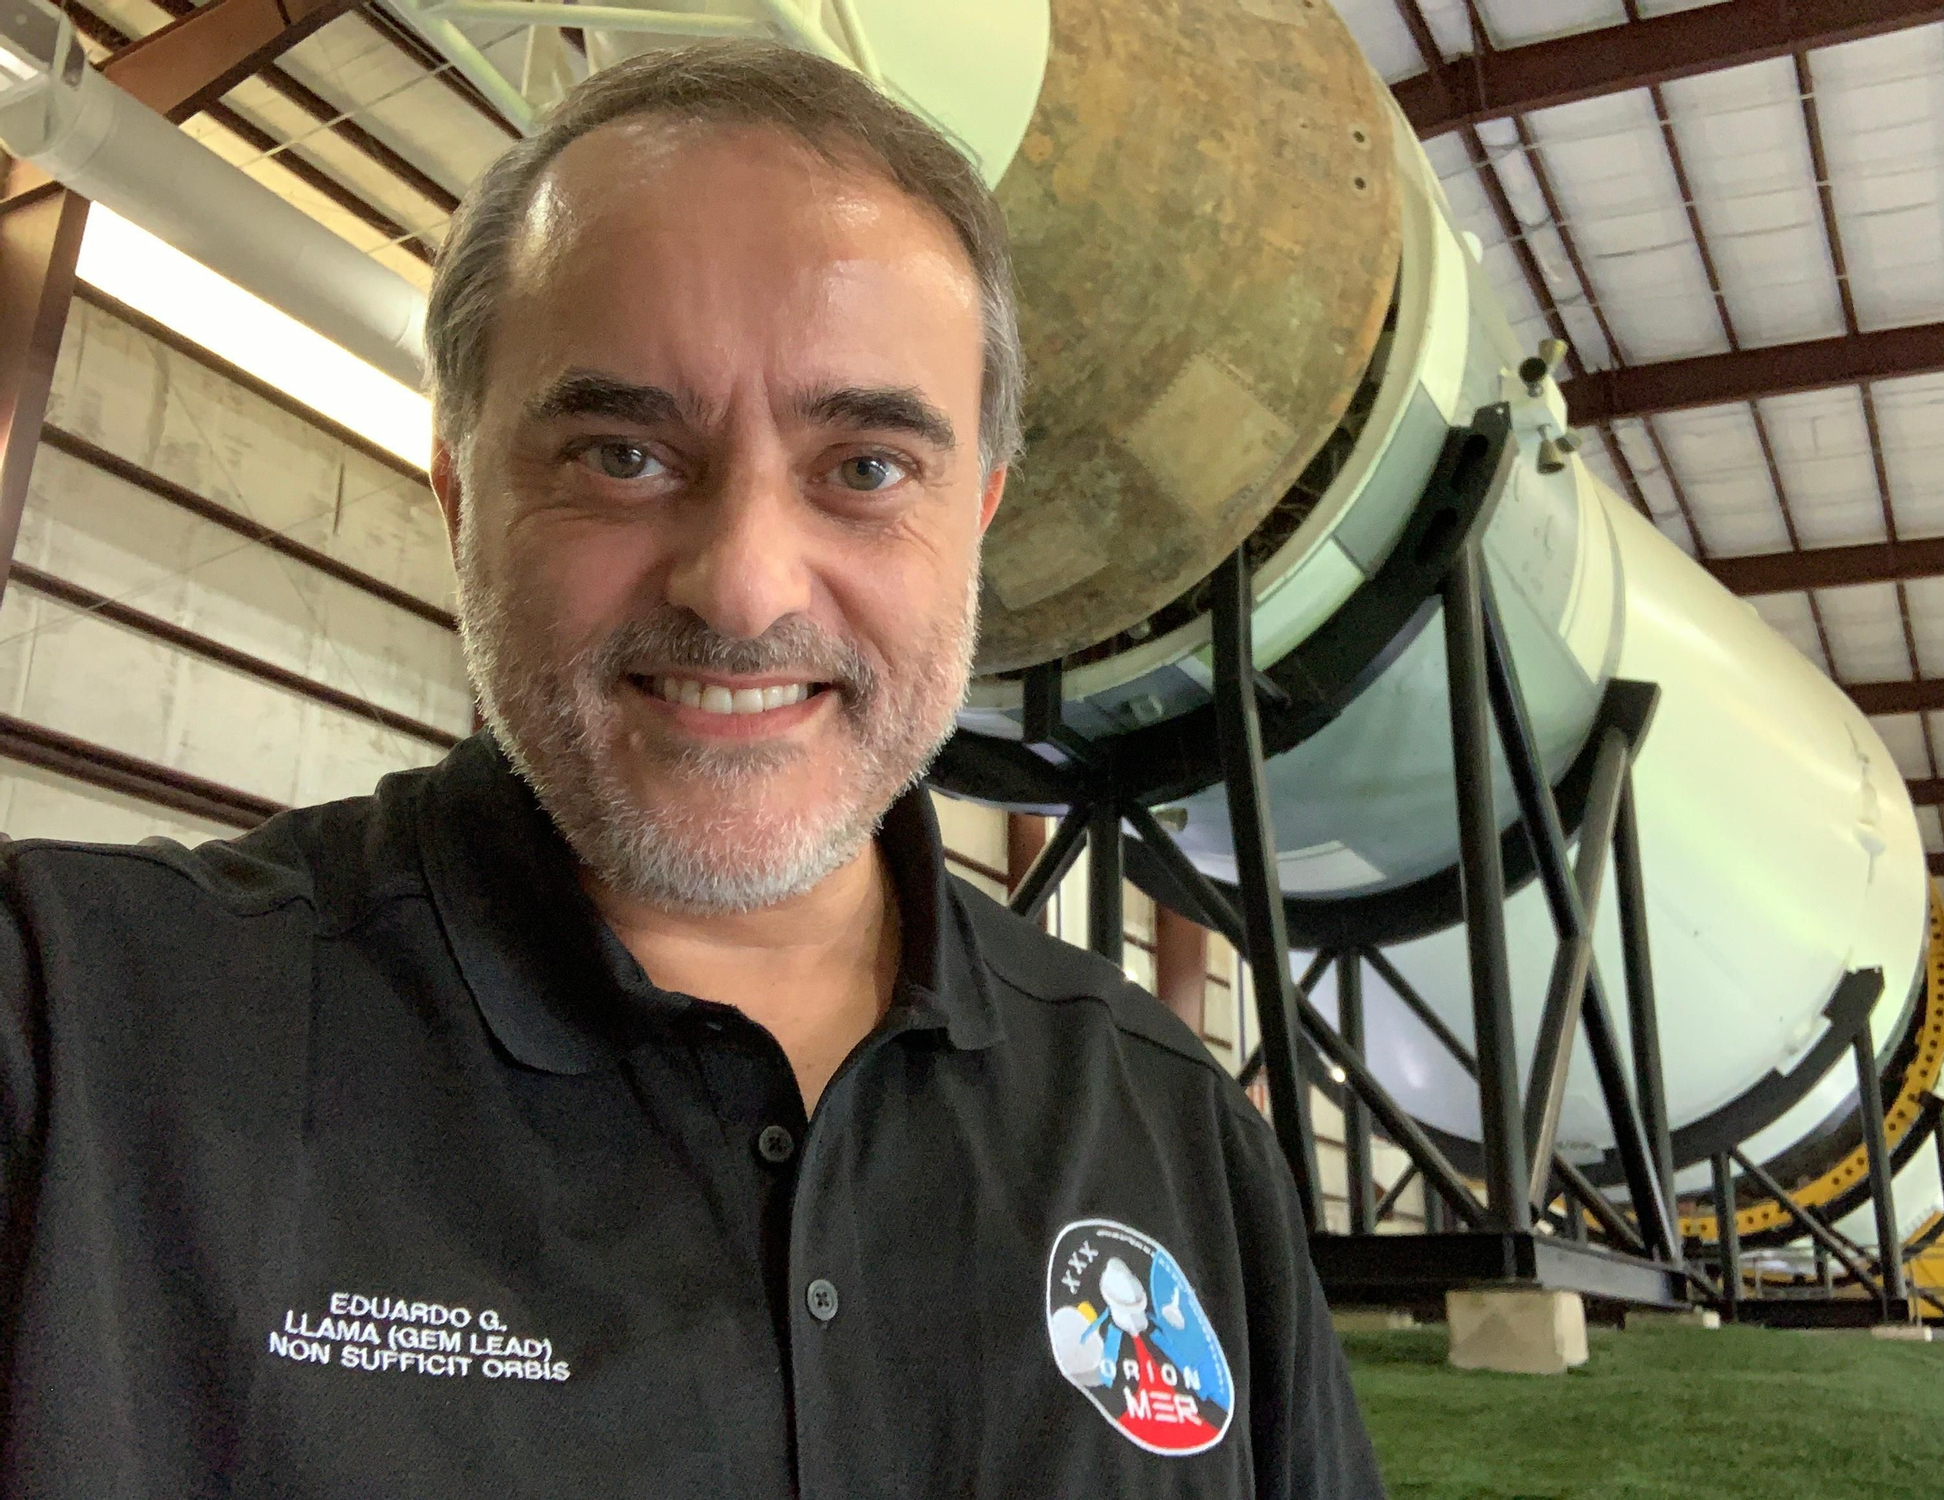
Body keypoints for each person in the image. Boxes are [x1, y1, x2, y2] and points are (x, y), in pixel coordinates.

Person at [0, 40, 1384, 1498]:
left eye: (863, 468)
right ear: (463, 490)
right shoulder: (82, 1043)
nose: (740, 588)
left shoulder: (1168, 1135)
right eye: (620, 454)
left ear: (975, 518)